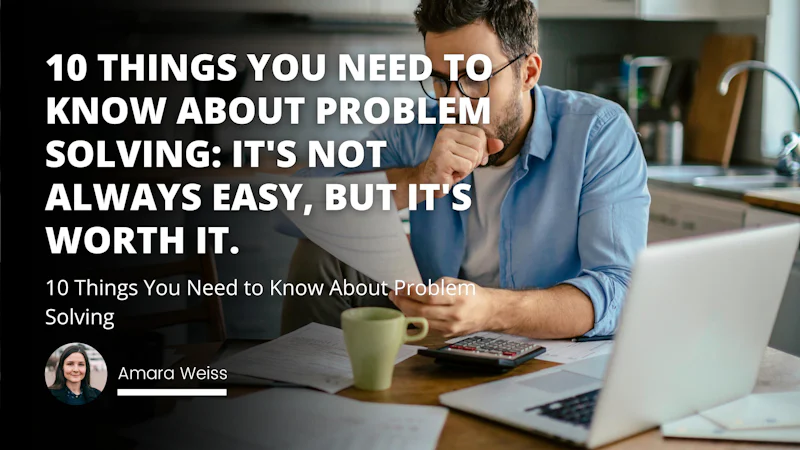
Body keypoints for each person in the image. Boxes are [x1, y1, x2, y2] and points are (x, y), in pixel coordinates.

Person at [277, 0, 650, 339]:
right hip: (435, 332)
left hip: (547, 344)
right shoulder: (417, 131)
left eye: (475, 77)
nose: (453, 103)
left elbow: (622, 290)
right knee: (320, 250)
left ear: (528, 73)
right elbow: (291, 209)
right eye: (441, 80)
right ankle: (309, 387)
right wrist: (417, 180)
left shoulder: (596, 132)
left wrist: (490, 310)